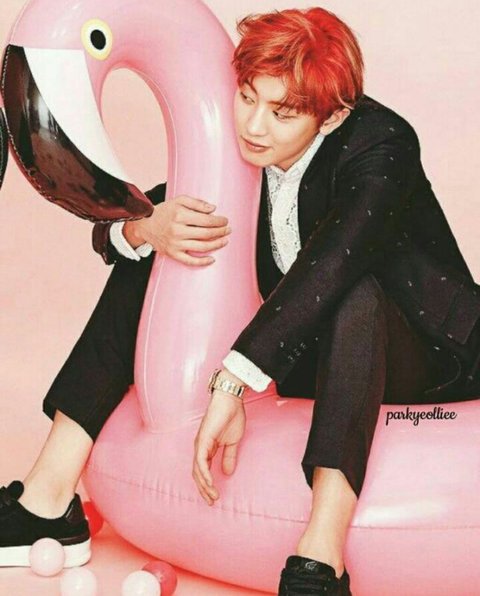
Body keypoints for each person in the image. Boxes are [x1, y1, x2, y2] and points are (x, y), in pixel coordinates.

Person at [2, 6, 480, 595]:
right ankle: (47, 497)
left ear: (332, 116)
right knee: (175, 231)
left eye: (282, 113)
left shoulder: (382, 144)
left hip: (426, 356)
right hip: (314, 352)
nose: (254, 126)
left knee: (356, 292)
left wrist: (232, 381)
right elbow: (144, 213)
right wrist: (145, 227)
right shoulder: (250, 142)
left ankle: (321, 556)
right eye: (248, 97)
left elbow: (335, 262)